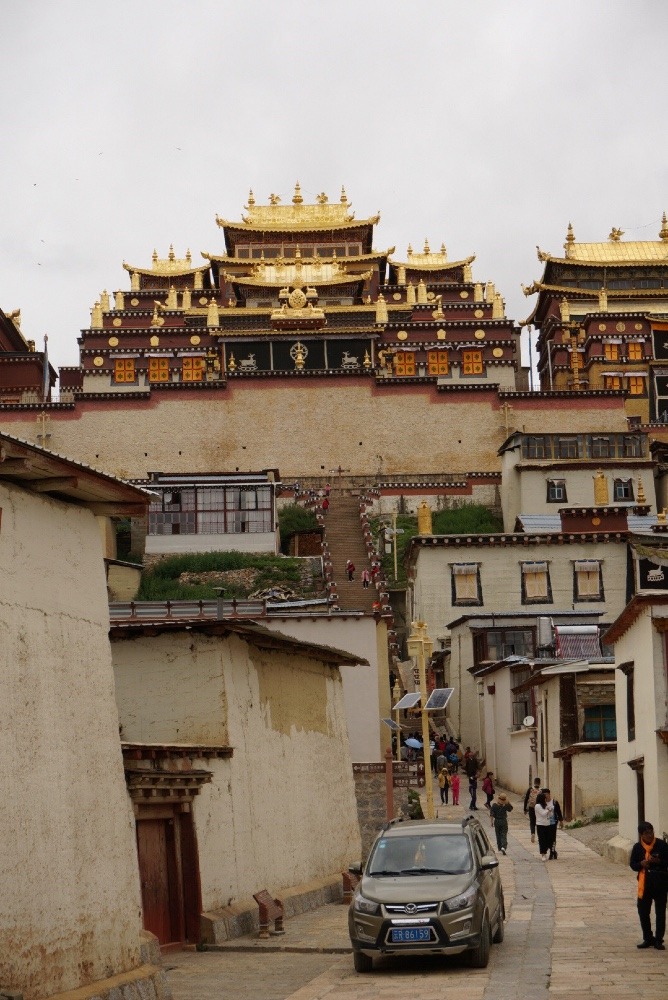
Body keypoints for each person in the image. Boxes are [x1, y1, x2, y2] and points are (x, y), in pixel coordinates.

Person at [630, 821, 668, 949]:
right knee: (643, 912)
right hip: (644, 884)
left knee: (660, 913)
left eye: (651, 832)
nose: (650, 835)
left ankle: (659, 939)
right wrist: (641, 864)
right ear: (641, 834)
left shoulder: (662, 845)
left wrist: (659, 861)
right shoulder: (637, 847)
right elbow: (633, 865)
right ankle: (648, 937)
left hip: (660, 884)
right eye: (646, 833)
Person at [542, 788, 563, 859]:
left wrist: (561, 821)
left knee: (553, 838)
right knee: (547, 838)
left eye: (546, 794)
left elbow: (558, 812)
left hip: (553, 823)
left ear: (549, 794)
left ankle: (552, 852)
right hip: (545, 823)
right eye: (544, 795)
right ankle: (553, 851)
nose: (545, 796)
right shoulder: (542, 803)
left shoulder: (554, 802)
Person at [534, 791, 554, 860]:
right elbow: (542, 814)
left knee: (548, 839)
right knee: (542, 839)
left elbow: (550, 815)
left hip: (547, 824)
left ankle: (546, 849)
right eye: (545, 798)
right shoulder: (537, 806)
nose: (546, 800)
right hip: (540, 824)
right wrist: (548, 810)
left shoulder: (546, 806)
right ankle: (543, 854)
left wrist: (550, 811)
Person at [524, 777, 542, 844]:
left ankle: (532, 833)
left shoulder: (530, 789)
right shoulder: (541, 790)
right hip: (538, 808)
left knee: (532, 822)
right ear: (539, 783)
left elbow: (526, 799)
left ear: (534, 782)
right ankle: (539, 837)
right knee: (538, 822)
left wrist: (525, 809)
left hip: (531, 807)